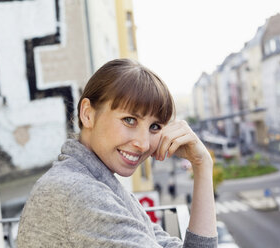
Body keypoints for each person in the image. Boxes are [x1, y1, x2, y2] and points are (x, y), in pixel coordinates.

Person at [17, 59, 218, 247]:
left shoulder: (99, 184)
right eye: (129, 120)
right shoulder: (77, 192)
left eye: (155, 126)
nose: (143, 143)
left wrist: (202, 164)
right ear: (87, 114)